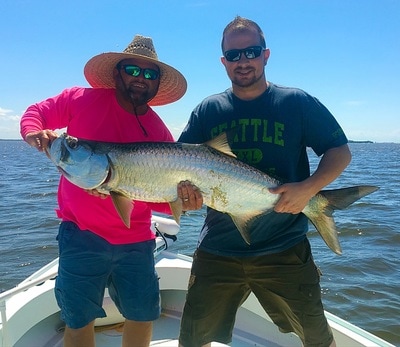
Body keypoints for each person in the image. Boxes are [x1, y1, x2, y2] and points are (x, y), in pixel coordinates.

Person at [178, 16, 351, 347]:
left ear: (266, 55)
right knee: (192, 340)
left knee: (316, 338)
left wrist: (309, 189)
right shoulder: (207, 111)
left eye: (251, 52)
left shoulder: (295, 103)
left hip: (284, 247)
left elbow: (339, 151)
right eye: (234, 55)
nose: (243, 61)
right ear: (223, 61)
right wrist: (185, 196)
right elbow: (181, 169)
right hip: (218, 248)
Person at [20, 35, 193, 347]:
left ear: (156, 84)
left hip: (137, 242)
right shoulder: (81, 100)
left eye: (150, 74)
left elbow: (165, 201)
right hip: (81, 236)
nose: (141, 79)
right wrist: (34, 132)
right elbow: (37, 112)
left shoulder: (159, 132)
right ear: (117, 72)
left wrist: (187, 201)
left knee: (142, 317)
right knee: (78, 320)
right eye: (133, 70)